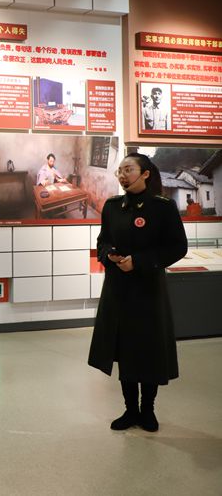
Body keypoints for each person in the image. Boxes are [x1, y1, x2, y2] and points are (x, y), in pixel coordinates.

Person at [88, 152, 187, 433]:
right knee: (125, 350)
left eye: (128, 170)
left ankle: (148, 410)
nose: (122, 175)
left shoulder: (163, 207)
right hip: (118, 290)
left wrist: (140, 262)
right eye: (120, 170)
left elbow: (177, 247)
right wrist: (110, 255)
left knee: (148, 350)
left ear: (145, 174)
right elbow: (103, 241)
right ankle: (130, 410)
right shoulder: (112, 206)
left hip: (148, 290)